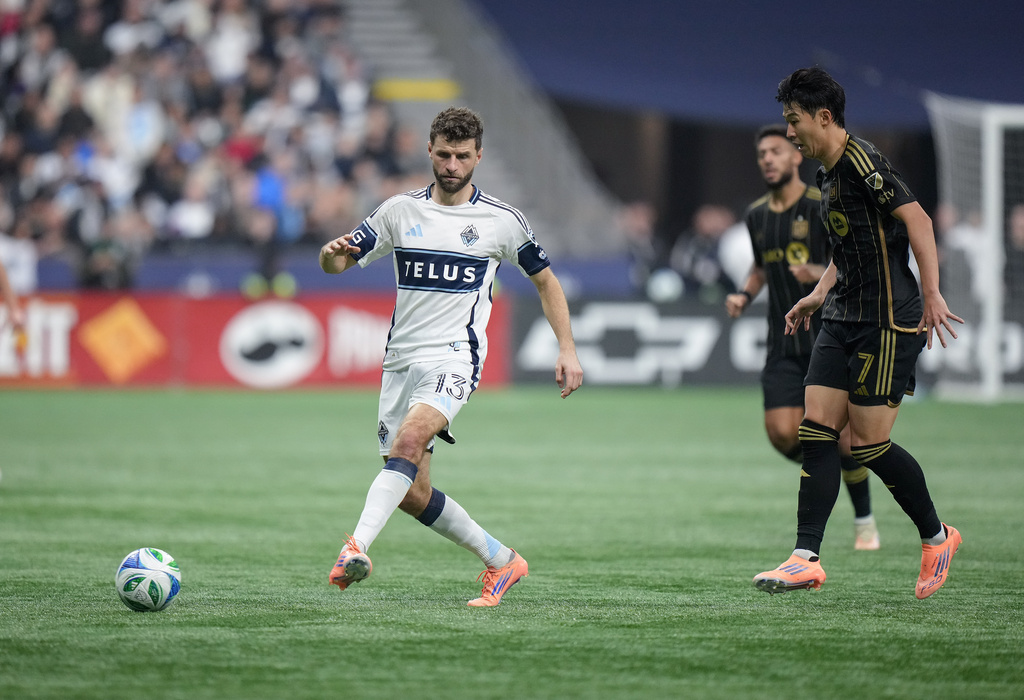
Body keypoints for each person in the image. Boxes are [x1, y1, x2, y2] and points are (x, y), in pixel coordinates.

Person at [318, 106, 583, 607]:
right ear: (430, 151)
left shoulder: (502, 221)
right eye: (444, 154)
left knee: (412, 438)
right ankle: (503, 561)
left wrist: (566, 348)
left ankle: (355, 547)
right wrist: (330, 256)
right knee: (412, 490)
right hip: (399, 363)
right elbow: (337, 262)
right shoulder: (398, 211)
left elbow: (545, 281)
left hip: (454, 358)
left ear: (478, 156)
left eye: (463, 156)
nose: (452, 165)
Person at [753, 67, 964, 599]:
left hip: (889, 320)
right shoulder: (825, 171)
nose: (789, 133)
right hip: (843, 314)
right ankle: (805, 558)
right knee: (817, 432)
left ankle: (937, 537)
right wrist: (821, 292)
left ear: (824, 117)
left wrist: (934, 294)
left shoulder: (864, 162)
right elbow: (847, 251)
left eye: (794, 121)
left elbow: (918, 222)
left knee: (868, 445)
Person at [726, 125, 880, 551]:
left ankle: (864, 519)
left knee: (840, 438)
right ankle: (830, 466)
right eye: (762, 154)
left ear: (796, 157)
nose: (768, 160)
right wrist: (743, 294)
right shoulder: (757, 214)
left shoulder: (820, 204)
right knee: (781, 432)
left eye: (776, 151)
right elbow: (760, 267)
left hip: (825, 336)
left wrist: (818, 275)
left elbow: (850, 255)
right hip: (781, 342)